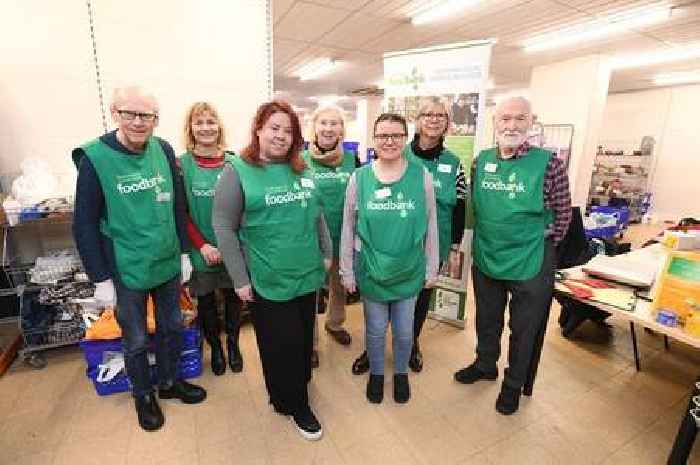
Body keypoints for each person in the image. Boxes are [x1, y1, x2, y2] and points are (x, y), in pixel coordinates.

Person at [73, 86, 206, 432]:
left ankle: (168, 381)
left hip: (165, 261)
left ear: (155, 120)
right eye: (129, 113)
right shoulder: (94, 159)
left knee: (172, 327)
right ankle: (143, 395)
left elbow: (178, 206)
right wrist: (100, 278)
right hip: (124, 265)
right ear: (114, 113)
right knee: (133, 338)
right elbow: (84, 224)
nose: (138, 121)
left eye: (146, 115)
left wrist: (183, 253)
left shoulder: (162, 150)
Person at [213, 100, 332, 441]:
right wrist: (239, 278)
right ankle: (297, 405)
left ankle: (287, 392)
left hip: (307, 273)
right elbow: (223, 226)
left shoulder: (302, 168)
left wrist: (326, 252)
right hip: (267, 277)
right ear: (259, 129)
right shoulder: (238, 171)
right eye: (274, 128)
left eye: (288, 130)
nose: (281, 135)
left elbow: (317, 212)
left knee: (302, 340)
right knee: (280, 344)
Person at [454, 96, 571, 415]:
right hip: (489, 256)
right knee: (487, 319)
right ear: (494, 123)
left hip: (531, 261)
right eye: (505, 118)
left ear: (531, 122)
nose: (511, 125)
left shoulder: (550, 164)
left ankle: (513, 385)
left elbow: (563, 214)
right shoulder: (481, 160)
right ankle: (485, 364)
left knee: (524, 328)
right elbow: (476, 207)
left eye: (520, 119)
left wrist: (543, 245)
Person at [351, 98, 466, 375]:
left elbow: (461, 204)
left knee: (419, 299)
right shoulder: (398, 154)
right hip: (387, 244)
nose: (434, 119)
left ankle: (411, 343)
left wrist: (453, 246)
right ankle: (373, 348)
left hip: (430, 243)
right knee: (379, 305)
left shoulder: (454, 162)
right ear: (417, 121)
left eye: (440, 115)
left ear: (447, 123)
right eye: (428, 114)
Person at [340, 113, 438, 405]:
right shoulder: (359, 178)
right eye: (383, 135)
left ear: (405, 138)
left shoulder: (421, 176)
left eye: (396, 135)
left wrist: (432, 266)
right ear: (374, 139)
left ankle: (401, 374)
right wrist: (347, 270)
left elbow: (431, 224)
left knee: (405, 331)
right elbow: (347, 225)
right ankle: (377, 374)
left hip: (409, 269)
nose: (389, 141)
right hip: (371, 269)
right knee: (375, 329)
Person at [180, 102, 243, 375]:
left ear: (219, 127)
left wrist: (231, 244)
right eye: (199, 122)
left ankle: (233, 345)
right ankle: (215, 347)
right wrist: (202, 245)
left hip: (233, 245)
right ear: (191, 129)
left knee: (234, 298)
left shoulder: (235, 162)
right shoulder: (181, 165)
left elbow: (244, 207)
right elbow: (180, 211)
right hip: (200, 247)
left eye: (211, 122)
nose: (205, 128)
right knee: (205, 303)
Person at [302, 105, 356, 368]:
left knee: (338, 285)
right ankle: (309, 342)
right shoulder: (300, 159)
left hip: (343, 233)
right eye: (323, 122)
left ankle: (334, 324)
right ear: (315, 127)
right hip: (312, 238)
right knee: (312, 290)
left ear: (341, 129)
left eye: (334, 123)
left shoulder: (351, 159)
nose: (328, 128)